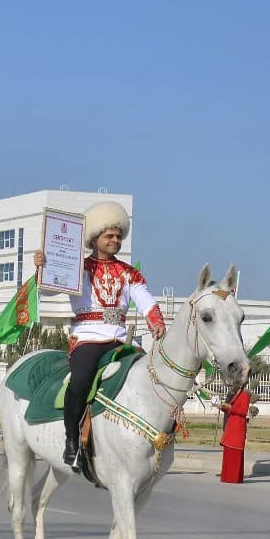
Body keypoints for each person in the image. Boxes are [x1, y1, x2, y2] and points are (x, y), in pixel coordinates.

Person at [33, 201, 167, 471]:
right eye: (109, 236)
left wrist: (156, 321)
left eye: (118, 236)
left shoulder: (130, 273)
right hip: (88, 337)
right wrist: (42, 267)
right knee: (80, 381)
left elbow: (145, 300)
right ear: (95, 238)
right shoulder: (76, 267)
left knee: (152, 378)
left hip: (121, 338)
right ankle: (71, 441)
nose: (115, 240)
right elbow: (47, 290)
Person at [215, 385, 254, 484]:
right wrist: (222, 407)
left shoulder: (245, 394)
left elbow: (243, 411)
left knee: (234, 453)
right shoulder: (235, 394)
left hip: (238, 427)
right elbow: (230, 409)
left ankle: (233, 477)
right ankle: (227, 476)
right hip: (231, 426)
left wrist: (230, 407)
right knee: (228, 453)